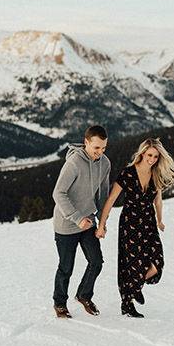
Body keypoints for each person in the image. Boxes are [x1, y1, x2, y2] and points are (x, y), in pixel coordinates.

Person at [96, 138, 174, 318]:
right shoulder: (128, 173)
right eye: (150, 155)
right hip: (130, 223)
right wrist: (102, 225)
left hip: (149, 223)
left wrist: (159, 220)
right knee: (133, 264)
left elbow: (157, 200)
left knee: (157, 261)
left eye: (156, 157)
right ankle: (127, 304)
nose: (152, 159)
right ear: (142, 153)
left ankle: (134, 288)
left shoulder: (156, 174)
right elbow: (111, 200)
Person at [51, 125, 111, 318]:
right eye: (96, 148)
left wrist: (101, 223)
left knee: (96, 262)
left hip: (88, 222)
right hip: (67, 225)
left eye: (103, 148)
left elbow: (103, 196)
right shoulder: (74, 162)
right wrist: (77, 218)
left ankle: (84, 295)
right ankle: (60, 303)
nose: (100, 152)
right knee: (66, 267)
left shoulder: (105, 163)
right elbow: (58, 194)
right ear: (86, 142)